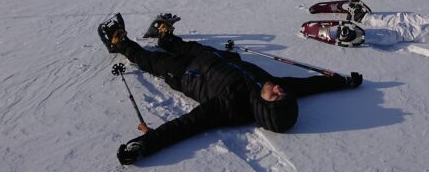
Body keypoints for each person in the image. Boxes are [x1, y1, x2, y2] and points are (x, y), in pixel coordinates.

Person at [98, 13, 363, 165]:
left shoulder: (230, 107)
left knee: (151, 61)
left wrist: (145, 144)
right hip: (211, 58)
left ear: (267, 107)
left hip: (183, 74)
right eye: (283, 92)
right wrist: (343, 80)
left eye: (276, 95)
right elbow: (310, 85)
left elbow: (187, 125)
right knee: (181, 44)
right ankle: (164, 35)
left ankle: (120, 44)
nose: (279, 88)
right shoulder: (270, 86)